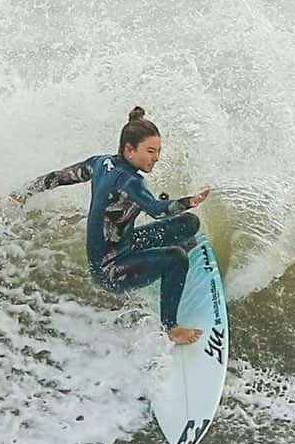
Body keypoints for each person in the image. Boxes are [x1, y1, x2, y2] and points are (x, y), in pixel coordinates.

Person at [11, 106, 211, 345]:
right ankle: (171, 327)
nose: (156, 157)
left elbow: (61, 176)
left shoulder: (100, 163)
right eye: (150, 151)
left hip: (127, 243)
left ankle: (162, 263)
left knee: (189, 223)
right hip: (110, 269)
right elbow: (157, 211)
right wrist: (190, 201)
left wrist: (26, 191)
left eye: (158, 151)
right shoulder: (131, 181)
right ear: (129, 149)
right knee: (177, 258)